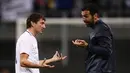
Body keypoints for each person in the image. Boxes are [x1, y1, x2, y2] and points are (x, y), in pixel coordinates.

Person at [72, 3, 116, 73]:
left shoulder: (102, 28)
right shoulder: (96, 28)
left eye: (86, 16)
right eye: (82, 17)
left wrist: (87, 46)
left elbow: (107, 51)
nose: (83, 19)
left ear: (95, 16)